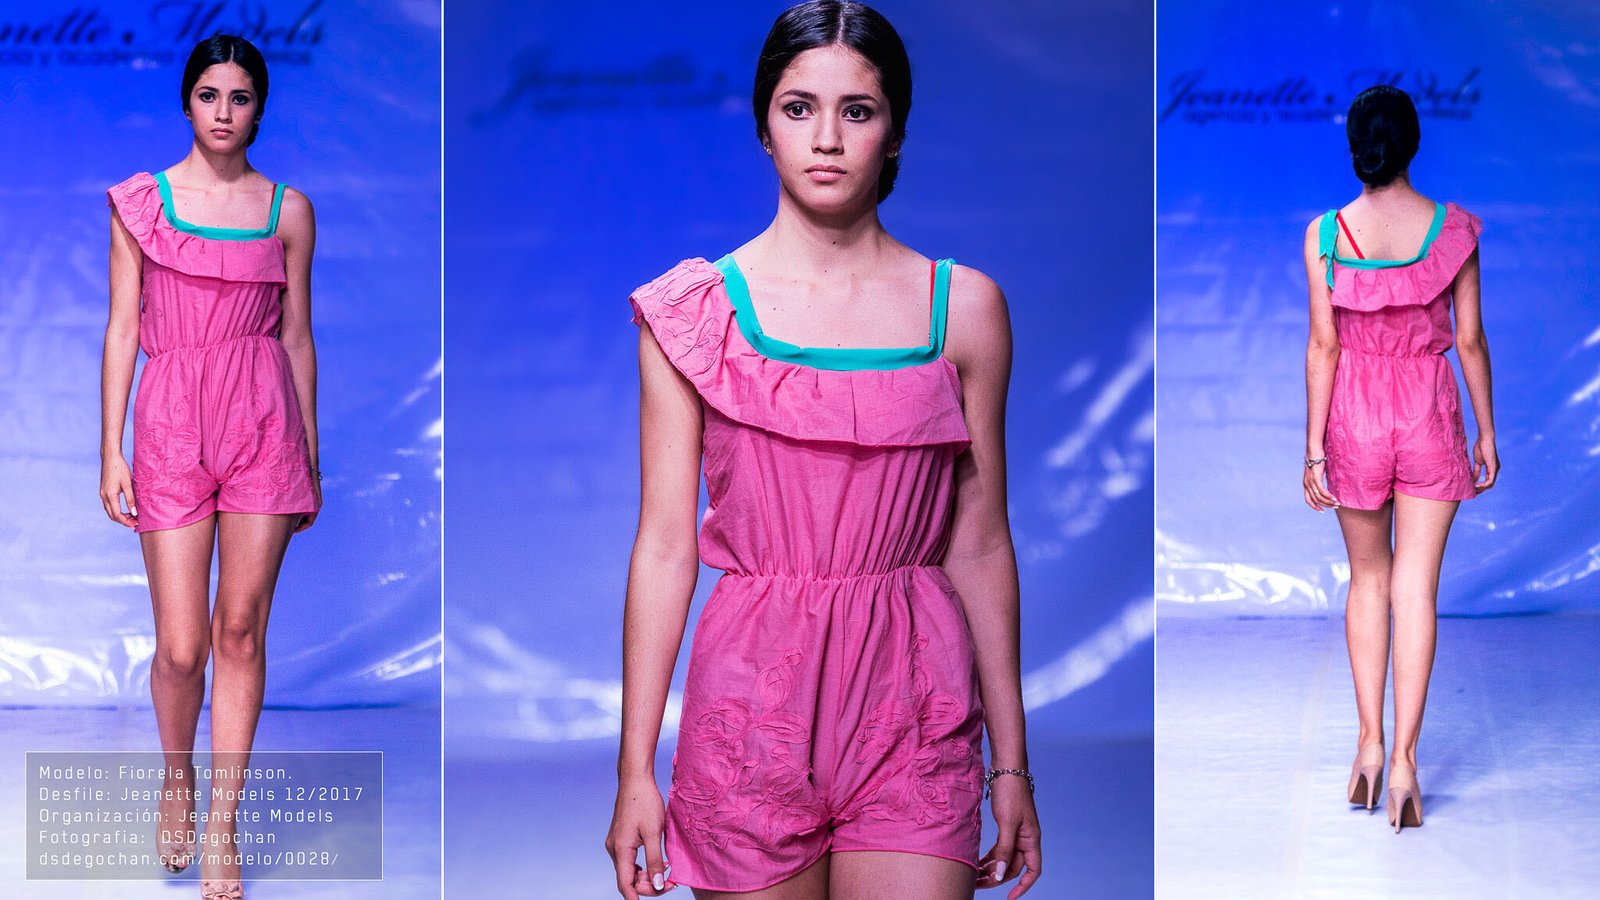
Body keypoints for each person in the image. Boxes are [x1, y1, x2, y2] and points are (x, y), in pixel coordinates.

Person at [604, 2, 1042, 898]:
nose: (828, 139)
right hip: (750, 710)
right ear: (764, 125)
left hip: (914, 702)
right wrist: (634, 770)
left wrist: (1012, 765)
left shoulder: (964, 310)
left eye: (858, 110)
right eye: (799, 108)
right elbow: (665, 545)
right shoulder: (695, 317)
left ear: (896, 131)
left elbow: (979, 543)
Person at [100, 33, 320, 900]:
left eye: (240, 97)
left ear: (259, 109)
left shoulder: (288, 211)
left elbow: (297, 337)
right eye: (208, 95)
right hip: (170, 420)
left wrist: (309, 452)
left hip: (264, 418)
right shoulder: (141, 205)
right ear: (186, 102)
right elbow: (123, 327)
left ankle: (223, 825)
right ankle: (177, 776)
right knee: (182, 648)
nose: (223, 112)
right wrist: (109, 448)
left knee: (241, 632)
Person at [1301, 84, 1497, 833]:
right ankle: (1408, 765)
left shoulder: (1325, 235)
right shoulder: (1455, 232)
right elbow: (1469, 340)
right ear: (1413, 144)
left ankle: (1369, 749)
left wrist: (1313, 447)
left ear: (1355, 147)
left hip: (1354, 411)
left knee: (1368, 581)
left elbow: (1324, 345)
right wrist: (1486, 431)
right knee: (1415, 589)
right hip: (1427, 409)